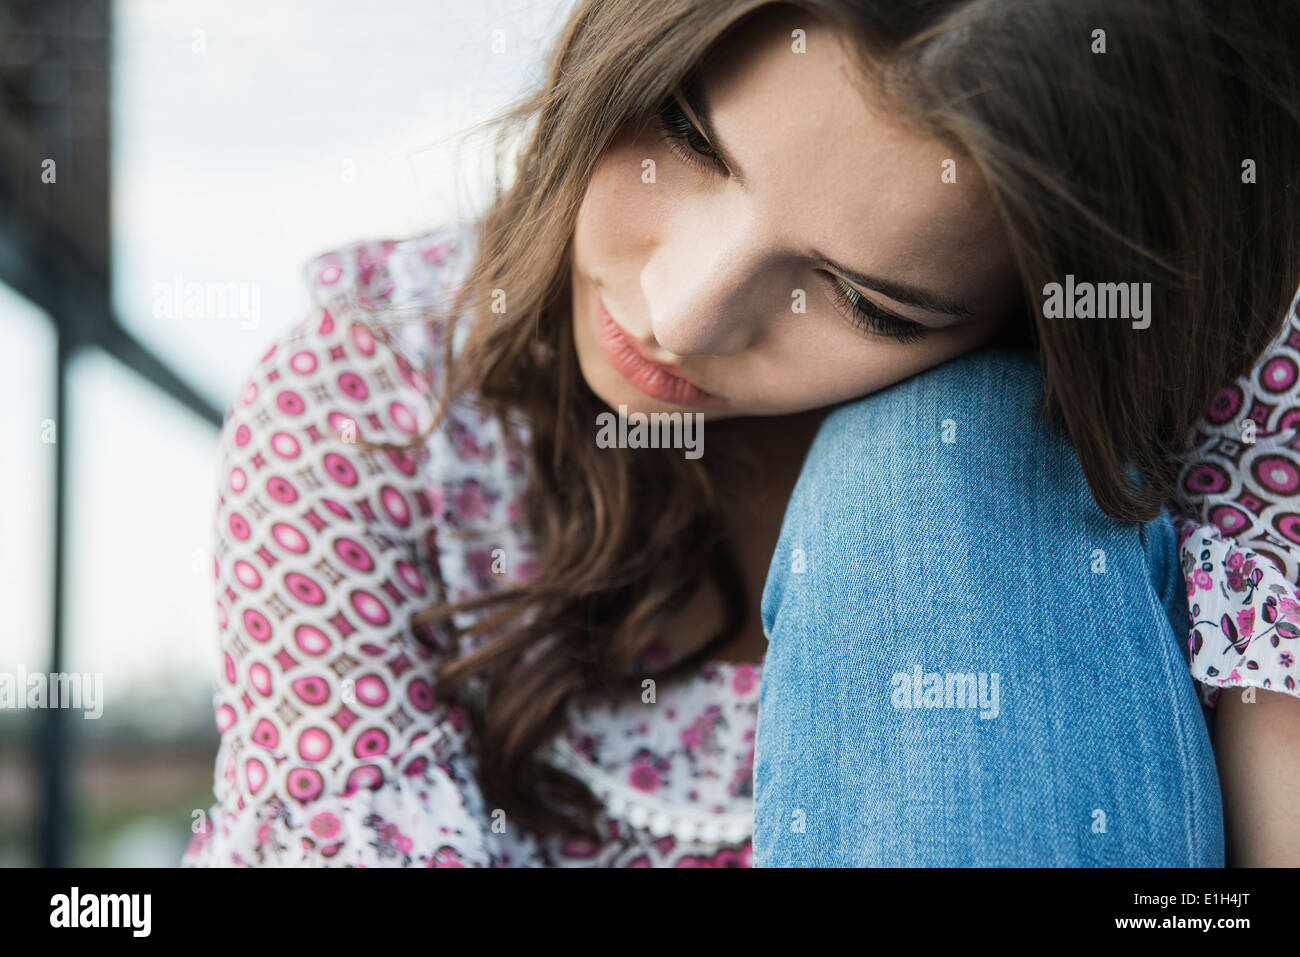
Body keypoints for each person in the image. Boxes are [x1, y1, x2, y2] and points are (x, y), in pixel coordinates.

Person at [183, 0, 1300, 867]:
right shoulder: (371, 410)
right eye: (684, 137)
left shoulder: (1185, 398)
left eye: (869, 301)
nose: (679, 313)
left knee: (948, 458)